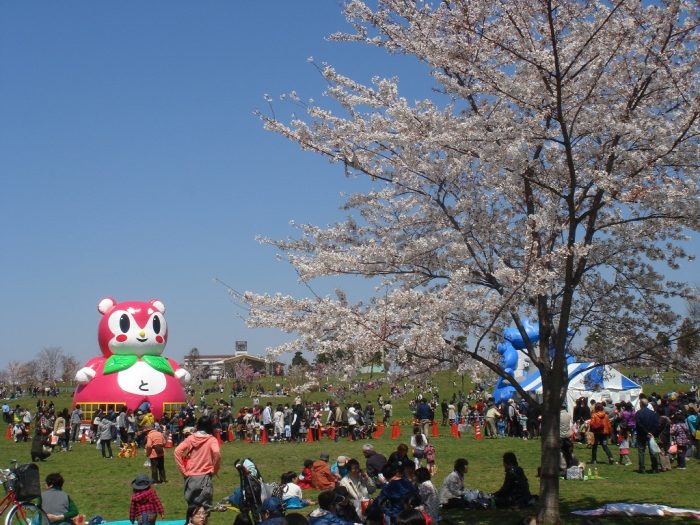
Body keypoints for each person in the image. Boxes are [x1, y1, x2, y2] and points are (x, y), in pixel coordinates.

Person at [174, 415, 221, 521]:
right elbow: (217, 452)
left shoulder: (191, 438)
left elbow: (177, 451)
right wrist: (215, 469)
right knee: (204, 511)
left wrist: (183, 470)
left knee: (191, 509)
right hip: (204, 477)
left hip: (190, 477)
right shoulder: (211, 440)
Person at [635, 399, 660, 474]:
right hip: (651, 435)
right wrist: (651, 433)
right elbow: (657, 424)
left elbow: (638, 425)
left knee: (641, 452)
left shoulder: (638, 413)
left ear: (642, 404)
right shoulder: (653, 413)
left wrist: (646, 432)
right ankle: (655, 468)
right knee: (652, 451)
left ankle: (642, 468)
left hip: (641, 434)